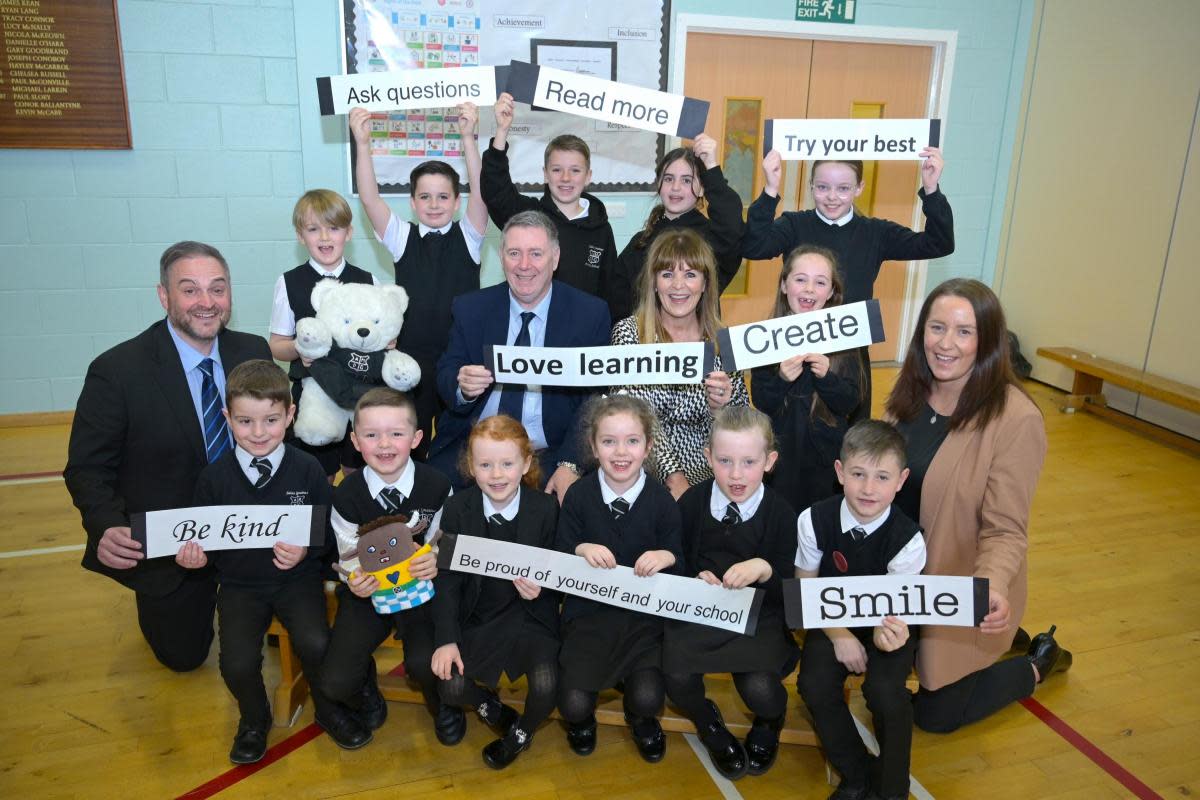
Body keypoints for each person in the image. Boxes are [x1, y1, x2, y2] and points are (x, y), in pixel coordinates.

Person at [64, 241, 272, 672]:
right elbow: (87, 468)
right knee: (183, 657)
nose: (206, 303)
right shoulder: (118, 371)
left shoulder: (252, 351)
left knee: (284, 626)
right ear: (164, 296)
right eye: (190, 290)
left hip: (249, 527)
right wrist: (107, 524)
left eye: (217, 289)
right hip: (173, 544)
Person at [884, 278, 1070, 735]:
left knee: (934, 716)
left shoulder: (1016, 418)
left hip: (955, 580)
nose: (946, 344)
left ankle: (1038, 660)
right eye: (937, 327)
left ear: (987, 342)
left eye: (964, 332)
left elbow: (1006, 530)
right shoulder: (909, 391)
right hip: (897, 574)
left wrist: (992, 587)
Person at [177, 360, 367, 762]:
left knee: (317, 642)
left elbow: (327, 531)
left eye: (270, 420)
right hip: (240, 585)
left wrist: (304, 549)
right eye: (245, 422)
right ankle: (253, 717)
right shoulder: (213, 479)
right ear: (227, 417)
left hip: (297, 580)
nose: (258, 433)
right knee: (236, 663)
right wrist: (196, 558)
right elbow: (203, 539)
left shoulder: (309, 470)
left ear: (290, 415)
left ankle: (328, 708)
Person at [743, 149, 955, 415]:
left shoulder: (876, 232)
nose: (832, 197)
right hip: (792, 351)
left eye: (843, 188)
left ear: (859, 188)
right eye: (822, 187)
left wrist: (931, 190)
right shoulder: (794, 224)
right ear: (811, 186)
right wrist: (771, 189)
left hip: (848, 359)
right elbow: (754, 246)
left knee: (851, 439)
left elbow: (939, 243)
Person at [429, 209, 612, 498]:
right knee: (435, 504)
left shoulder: (589, 314)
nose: (524, 265)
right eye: (514, 253)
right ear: (501, 257)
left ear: (555, 258)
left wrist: (570, 463)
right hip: (474, 447)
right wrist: (462, 387)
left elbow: (594, 401)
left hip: (549, 453)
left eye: (536, 254)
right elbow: (445, 374)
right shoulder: (471, 309)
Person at [795, 420, 926, 800]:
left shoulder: (908, 540)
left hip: (889, 621)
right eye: (858, 474)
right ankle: (856, 773)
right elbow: (806, 584)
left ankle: (891, 789)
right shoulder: (813, 519)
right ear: (840, 472)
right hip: (831, 616)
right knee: (814, 684)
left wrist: (888, 640)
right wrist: (839, 635)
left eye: (882, 477)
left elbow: (900, 610)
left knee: (886, 692)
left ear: (901, 481)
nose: (869, 489)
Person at [666, 406, 799, 781]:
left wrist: (765, 568)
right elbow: (675, 558)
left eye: (748, 462)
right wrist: (694, 576)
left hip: (760, 615)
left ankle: (770, 720)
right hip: (701, 611)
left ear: (769, 462)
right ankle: (708, 722)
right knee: (674, 676)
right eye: (725, 461)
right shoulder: (691, 504)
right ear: (708, 458)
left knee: (759, 687)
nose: (736, 474)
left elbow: (791, 585)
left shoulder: (781, 513)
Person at [321, 388, 460, 745]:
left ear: (416, 438)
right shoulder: (346, 495)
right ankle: (365, 690)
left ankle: (442, 705)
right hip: (369, 597)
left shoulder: (438, 486)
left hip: (422, 593)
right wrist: (355, 579)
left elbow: (448, 541)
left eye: (396, 433)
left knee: (424, 664)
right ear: (355, 440)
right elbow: (348, 553)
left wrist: (436, 561)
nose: (384, 444)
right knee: (336, 681)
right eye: (371, 435)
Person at [350, 103, 488, 459]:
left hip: (461, 358)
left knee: (464, 444)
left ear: (457, 202)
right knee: (414, 442)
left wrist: (468, 138)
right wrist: (362, 144)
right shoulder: (401, 237)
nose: (434, 204)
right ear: (412, 202)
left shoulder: (470, 236)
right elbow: (369, 198)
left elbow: (483, 191)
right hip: (412, 360)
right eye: (424, 196)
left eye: (443, 196)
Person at [555, 394, 683, 763]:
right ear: (593, 447)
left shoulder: (661, 501)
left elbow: (681, 558)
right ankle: (582, 722)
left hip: (642, 620)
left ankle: (640, 717)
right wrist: (580, 550)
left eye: (632, 441)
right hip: (589, 616)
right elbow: (561, 553)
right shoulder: (578, 496)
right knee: (574, 704)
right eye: (609, 441)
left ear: (648, 447)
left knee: (647, 698)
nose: (621, 452)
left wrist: (666, 556)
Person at [430, 415, 560, 770]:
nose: (497, 474)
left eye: (507, 463)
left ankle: (520, 734)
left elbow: (559, 574)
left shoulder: (546, 509)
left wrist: (542, 587)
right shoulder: (458, 508)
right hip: (480, 615)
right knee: (450, 685)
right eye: (486, 464)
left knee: (547, 686)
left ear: (526, 464)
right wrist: (446, 638)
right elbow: (448, 581)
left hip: (529, 616)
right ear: (471, 466)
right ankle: (489, 705)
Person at [609, 227, 749, 499]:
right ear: (653, 282)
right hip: (641, 476)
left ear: (706, 283)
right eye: (667, 274)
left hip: (711, 480)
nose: (678, 285)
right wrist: (675, 478)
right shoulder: (629, 335)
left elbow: (740, 429)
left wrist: (721, 408)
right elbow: (636, 418)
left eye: (690, 274)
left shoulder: (724, 342)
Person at [269, 188, 377, 478]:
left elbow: (381, 336)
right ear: (300, 236)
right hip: (311, 395)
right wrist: (299, 348)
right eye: (314, 229)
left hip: (358, 393)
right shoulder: (289, 282)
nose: (325, 237)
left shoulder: (368, 281)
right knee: (318, 475)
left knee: (358, 470)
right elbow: (277, 346)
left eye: (334, 228)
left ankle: (355, 522)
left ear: (349, 232)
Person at [750, 245, 863, 513]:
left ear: (832, 292)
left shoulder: (844, 339)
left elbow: (850, 401)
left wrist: (827, 377)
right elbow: (762, 401)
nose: (809, 289)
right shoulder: (763, 338)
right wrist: (781, 379)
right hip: (780, 462)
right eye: (800, 279)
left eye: (820, 282)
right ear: (784, 285)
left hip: (825, 462)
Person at [481, 91, 617, 297]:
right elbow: (495, 190)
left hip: (583, 327)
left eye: (575, 170)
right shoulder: (528, 215)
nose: (565, 178)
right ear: (545, 174)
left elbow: (610, 292)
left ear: (588, 176)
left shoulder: (601, 229)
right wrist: (502, 131)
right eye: (556, 170)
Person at [604, 136, 746, 322]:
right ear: (659, 184)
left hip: (696, 344)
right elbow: (616, 301)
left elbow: (732, 226)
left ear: (703, 188)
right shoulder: (641, 242)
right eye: (669, 179)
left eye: (687, 180)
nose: (676, 188)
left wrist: (711, 166)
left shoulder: (712, 240)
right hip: (645, 345)